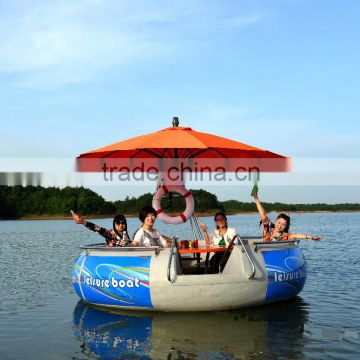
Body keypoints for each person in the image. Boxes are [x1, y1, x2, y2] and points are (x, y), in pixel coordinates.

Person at [251, 187, 321, 242]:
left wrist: (311, 237)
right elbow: (263, 214)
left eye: (283, 225)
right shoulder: (267, 229)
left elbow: (296, 235)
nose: (280, 226)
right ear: (275, 221)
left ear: (286, 226)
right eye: (279, 223)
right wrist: (256, 198)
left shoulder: (286, 236)